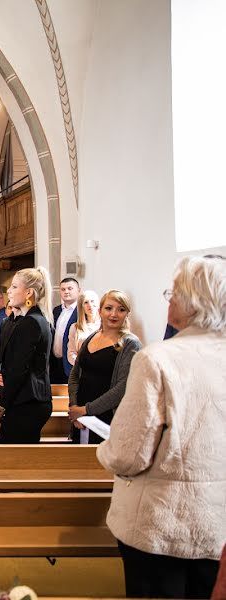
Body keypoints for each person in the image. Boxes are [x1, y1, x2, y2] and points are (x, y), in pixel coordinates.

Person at [97, 255, 225, 599]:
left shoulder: (158, 359)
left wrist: (104, 450)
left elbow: (128, 455)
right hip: (218, 526)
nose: (169, 301)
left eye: (173, 293)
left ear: (189, 301)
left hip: (161, 524)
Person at [67, 290, 141, 444]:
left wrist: (86, 410)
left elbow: (123, 387)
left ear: (127, 314)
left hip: (108, 418)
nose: (114, 314)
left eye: (121, 310)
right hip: (81, 418)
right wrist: (74, 407)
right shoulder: (91, 338)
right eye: (108, 308)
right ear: (100, 311)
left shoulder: (130, 344)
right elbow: (75, 375)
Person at [0, 267, 53, 443]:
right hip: (31, 400)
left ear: (29, 293)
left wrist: (2, 404)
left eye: (14, 287)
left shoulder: (30, 323)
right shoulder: (38, 319)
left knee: (11, 462)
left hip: (26, 401)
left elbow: (18, 370)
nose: (9, 291)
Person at [51, 277, 81, 383]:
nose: (66, 292)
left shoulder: (82, 311)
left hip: (71, 363)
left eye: (70, 288)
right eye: (63, 289)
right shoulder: (56, 310)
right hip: (55, 362)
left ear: (78, 290)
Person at [66, 290, 100, 366]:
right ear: (82, 307)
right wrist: (83, 365)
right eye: (86, 302)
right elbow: (71, 353)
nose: (90, 305)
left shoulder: (105, 326)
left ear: (98, 304)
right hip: (82, 370)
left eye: (92, 301)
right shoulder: (75, 327)